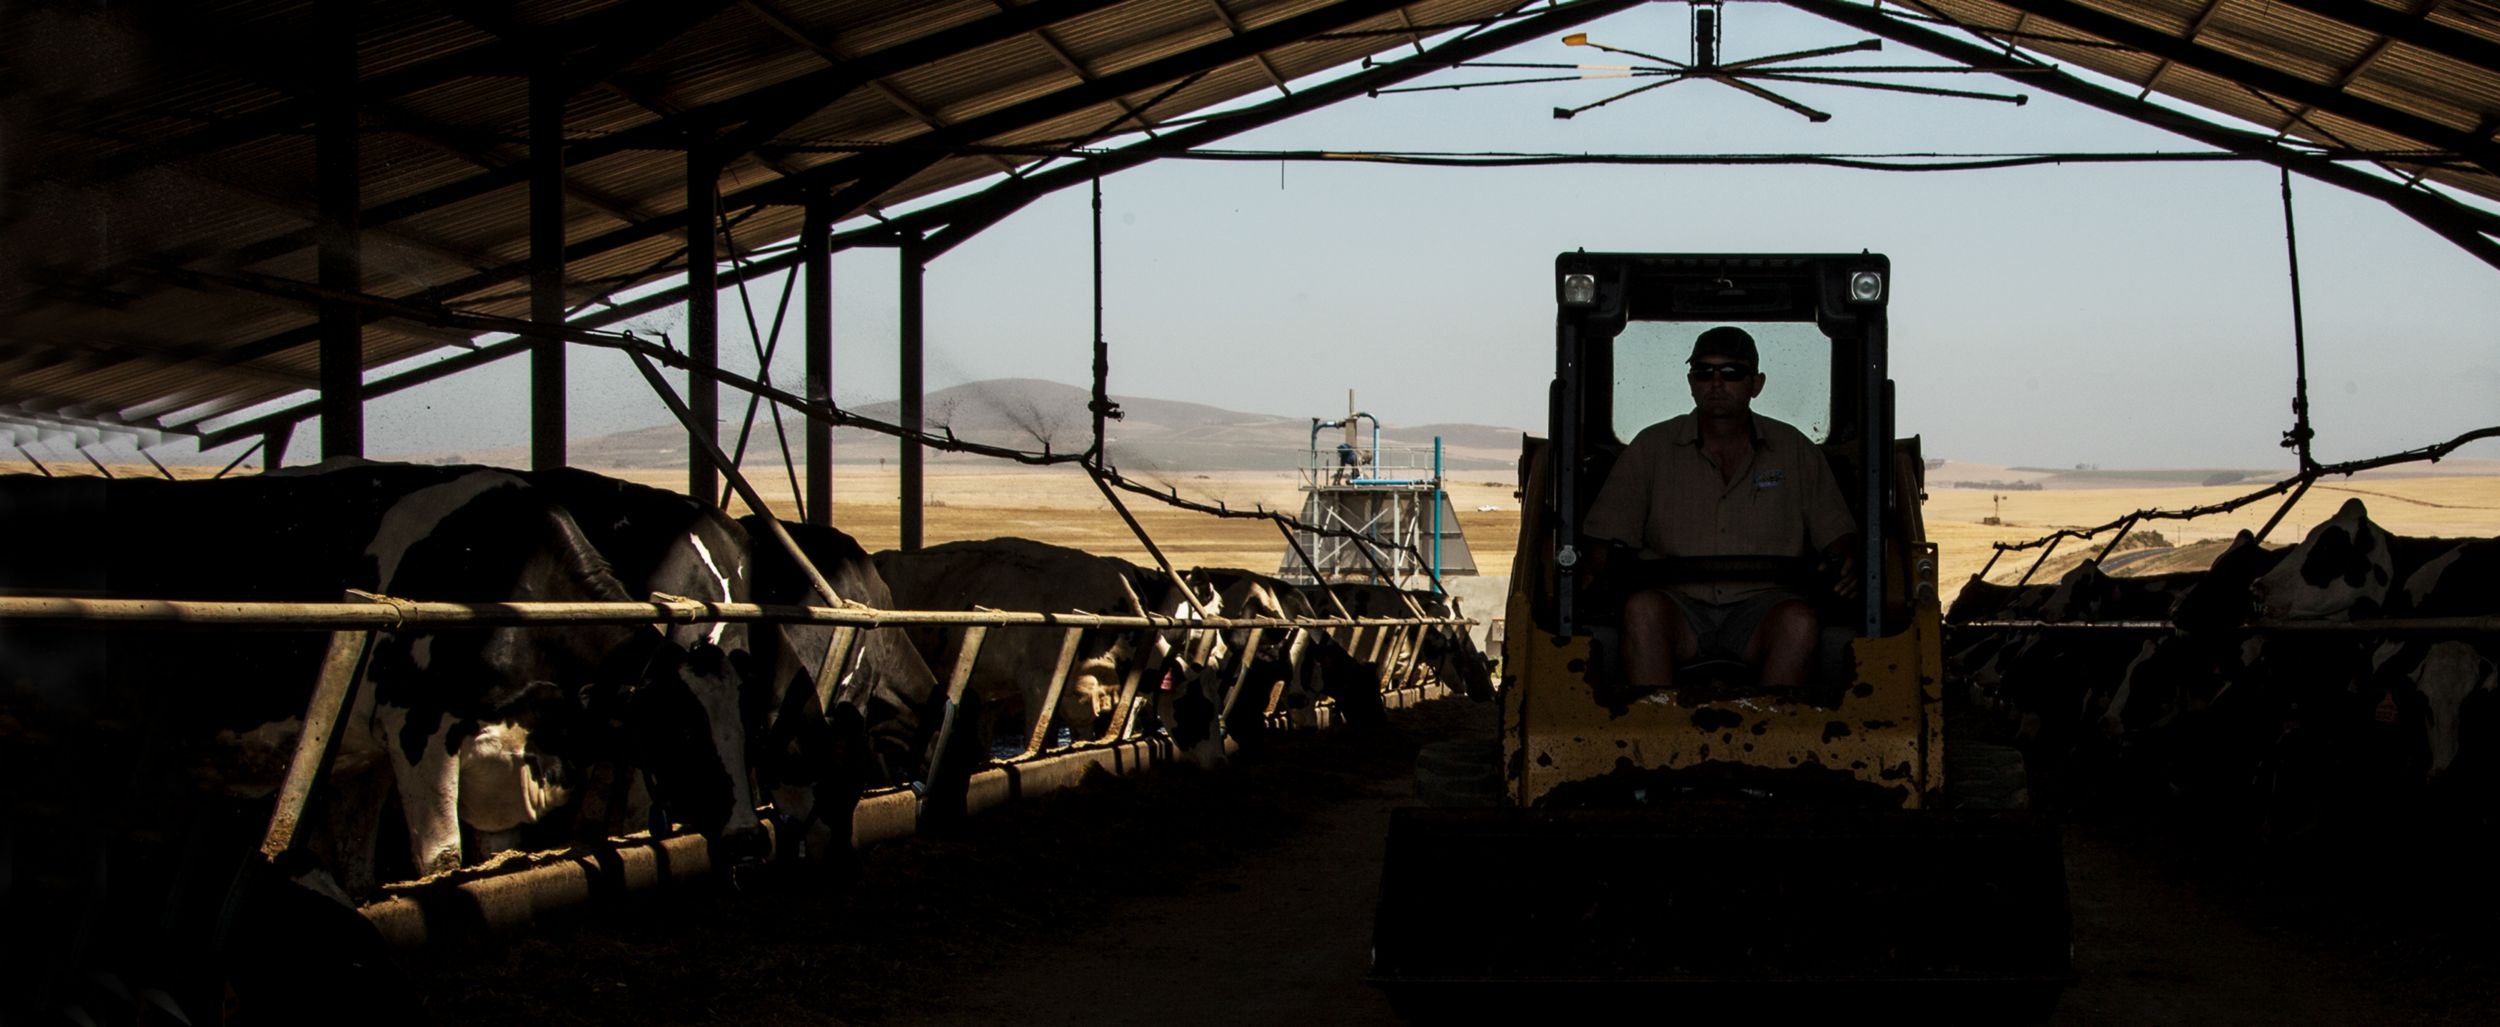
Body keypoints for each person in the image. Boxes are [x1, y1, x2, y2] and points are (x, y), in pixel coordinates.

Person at [1582, 325, 1859, 693]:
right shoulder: (1651, 449)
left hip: (1765, 607)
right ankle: (1656, 736)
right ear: (1691, 382)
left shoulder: (1795, 450)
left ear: (1756, 384)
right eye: (1704, 372)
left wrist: (1850, 560)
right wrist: (1580, 586)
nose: (1716, 382)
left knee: (1799, 622)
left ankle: (1772, 738)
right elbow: (1605, 541)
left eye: (1732, 372)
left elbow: (1837, 536)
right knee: (1642, 611)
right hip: (1677, 605)